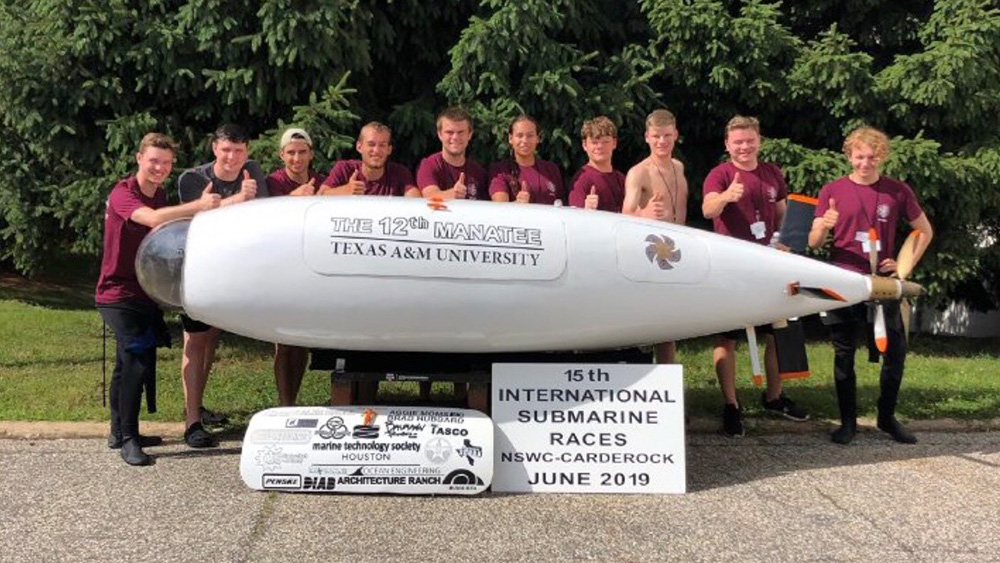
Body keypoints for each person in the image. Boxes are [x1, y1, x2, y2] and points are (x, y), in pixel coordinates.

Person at [96, 132, 221, 465]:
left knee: (129, 362)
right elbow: (151, 220)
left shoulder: (161, 193)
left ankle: (116, 430)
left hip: (145, 293)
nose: (159, 168)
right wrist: (198, 205)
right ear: (139, 158)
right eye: (153, 160)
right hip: (117, 293)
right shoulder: (123, 193)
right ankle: (129, 439)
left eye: (166, 163)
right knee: (136, 359)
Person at [808, 126, 934, 445]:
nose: (865, 163)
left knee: (895, 352)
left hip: (884, 282)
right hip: (845, 279)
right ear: (849, 156)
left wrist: (903, 267)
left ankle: (886, 418)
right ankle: (848, 422)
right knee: (844, 353)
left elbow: (924, 231)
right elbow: (813, 241)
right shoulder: (832, 190)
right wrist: (824, 226)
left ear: (882, 156)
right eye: (859, 156)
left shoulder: (897, 191)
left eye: (872, 157)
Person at [702, 115, 809, 437]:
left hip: (770, 266)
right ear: (727, 145)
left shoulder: (772, 173)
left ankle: (774, 397)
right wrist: (725, 197)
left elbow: (781, 215)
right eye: (738, 142)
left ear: (758, 140)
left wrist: (790, 239)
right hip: (733, 269)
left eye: (749, 141)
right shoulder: (719, 174)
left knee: (778, 334)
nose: (744, 147)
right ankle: (731, 405)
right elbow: (708, 210)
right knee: (728, 337)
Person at [176, 123, 269, 447]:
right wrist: (239, 200)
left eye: (239, 151)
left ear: (248, 152)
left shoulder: (253, 171)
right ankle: (191, 424)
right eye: (226, 150)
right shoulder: (193, 179)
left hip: (232, 273)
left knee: (211, 339)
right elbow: (194, 217)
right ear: (215, 148)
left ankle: (197, 406)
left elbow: (262, 215)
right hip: (199, 271)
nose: (232, 157)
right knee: (195, 341)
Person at [623, 109, 689, 364]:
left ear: (675, 136)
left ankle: (666, 375)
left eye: (667, 136)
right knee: (647, 320)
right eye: (656, 136)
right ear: (647, 137)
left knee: (669, 324)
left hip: (676, 249)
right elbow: (626, 214)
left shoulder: (678, 167)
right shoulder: (639, 171)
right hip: (649, 254)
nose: (662, 141)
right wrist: (645, 212)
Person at [265, 127, 323, 406]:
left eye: (302, 152)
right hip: (281, 268)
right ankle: (285, 404)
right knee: (283, 341)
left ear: (311, 154)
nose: (296, 158)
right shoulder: (272, 183)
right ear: (281, 155)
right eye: (291, 153)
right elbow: (262, 215)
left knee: (301, 341)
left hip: (312, 269)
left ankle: (293, 400)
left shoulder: (323, 182)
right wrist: (293, 199)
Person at [320, 121, 420, 197]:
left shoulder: (399, 173)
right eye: (371, 144)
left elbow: (415, 199)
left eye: (382, 145)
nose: (376, 150)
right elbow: (320, 195)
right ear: (359, 147)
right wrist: (345, 190)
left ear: (389, 149)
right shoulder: (345, 169)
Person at [488, 115, 565, 205]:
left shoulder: (551, 169)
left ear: (537, 138)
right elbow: (500, 208)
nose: (525, 140)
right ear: (510, 138)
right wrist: (517, 203)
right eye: (519, 136)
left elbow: (560, 204)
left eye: (530, 136)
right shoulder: (500, 170)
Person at [416, 107, 488, 201]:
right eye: (449, 132)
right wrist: (452, 194)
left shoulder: (478, 172)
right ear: (440, 134)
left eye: (461, 132)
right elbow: (429, 196)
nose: (455, 137)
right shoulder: (429, 166)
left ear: (469, 134)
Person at [568, 116, 626, 212]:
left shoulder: (621, 179)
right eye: (594, 142)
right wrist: (585, 210)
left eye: (605, 142)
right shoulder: (581, 180)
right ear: (585, 145)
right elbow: (575, 220)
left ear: (614, 143)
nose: (599, 147)